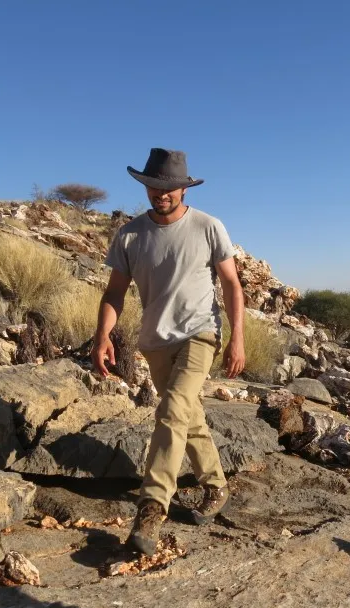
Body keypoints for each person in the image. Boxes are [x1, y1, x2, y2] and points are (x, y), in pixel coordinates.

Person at [92, 148, 246, 555]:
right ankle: (215, 485)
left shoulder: (208, 227)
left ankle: (152, 506)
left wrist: (237, 338)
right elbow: (114, 293)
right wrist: (102, 336)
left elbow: (232, 285)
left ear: (183, 187)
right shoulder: (129, 234)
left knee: (174, 409)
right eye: (153, 186)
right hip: (155, 341)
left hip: (201, 334)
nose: (161, 194)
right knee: (187, 415)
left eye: (169, 187)